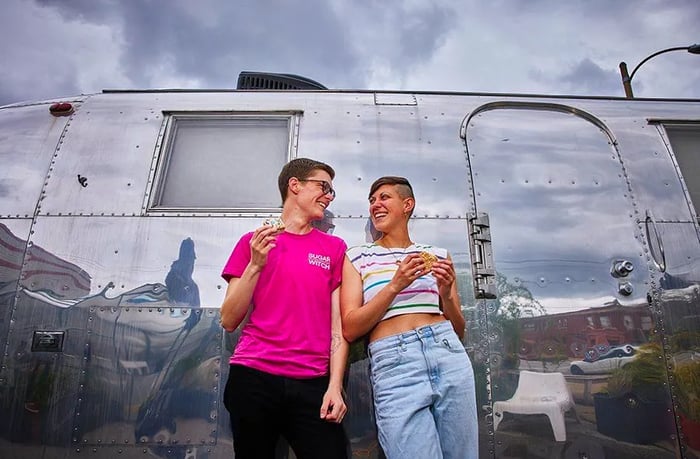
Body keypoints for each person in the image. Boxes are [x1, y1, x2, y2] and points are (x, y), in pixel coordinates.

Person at [220, 158, 349, 459]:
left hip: (312, 384)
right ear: (295, 185)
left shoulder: (334, 248)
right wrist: (255, 264)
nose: (329, 196)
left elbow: (338, 328)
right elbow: (228, 319)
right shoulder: (252, 243)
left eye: (332, 191)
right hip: (254, 378)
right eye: (323, 186)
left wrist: (335, 386)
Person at [341, 176, 478, 459]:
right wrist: (395, 285)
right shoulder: (358, 257)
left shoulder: (437, 255)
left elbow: (459, 329)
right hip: (395, 360)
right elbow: (351, 327)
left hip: (446, 351)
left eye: (383, 197)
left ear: (407, 204)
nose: (375, 205)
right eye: (371, 200)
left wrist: (447, 294)